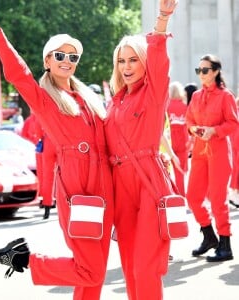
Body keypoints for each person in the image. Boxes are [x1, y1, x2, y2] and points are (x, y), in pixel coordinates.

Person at [0, 1, 114, 299]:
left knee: (93, 274)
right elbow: (17, 71)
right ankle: (23, 258)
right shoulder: (44, 98)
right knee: (91, 269)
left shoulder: (89, 98)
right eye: (60, 55)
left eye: (73, 56)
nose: (67, 60)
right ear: (47, 61)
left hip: (105, 186)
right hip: (77, 183)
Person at [104, 0, 178, 299]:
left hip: (148, 181)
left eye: (133, 60)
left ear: (144, 62)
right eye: (122, 61)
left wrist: (162, 19)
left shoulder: (153, 92)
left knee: (146, 267)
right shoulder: (114, 101)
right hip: (120, 187)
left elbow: (160, 61)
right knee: (129, 265)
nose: (127, 67)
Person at [185, 54, 239, 262]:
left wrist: (214, 131)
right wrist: (194, 129)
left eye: (205, 70)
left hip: (218, 153)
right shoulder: (197, 96)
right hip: (199, 151)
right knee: (192, 197)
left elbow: (233, 124)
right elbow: (189, 120)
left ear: (216, 71)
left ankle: (225, 245)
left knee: (218, 200)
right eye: (198, 70)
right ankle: (209, 236)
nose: (201, 74)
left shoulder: (225, 97)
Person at [21, 113, 56, 219]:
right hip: (60, 143)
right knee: (63, 174)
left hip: (46, 144)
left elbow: (36, 131)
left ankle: (47, 205)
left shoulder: (39, 113)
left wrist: (38, 140)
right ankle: (64, 202)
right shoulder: (61, 108)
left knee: (47, 176)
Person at [167, 81, 189, 197]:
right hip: (183, 142)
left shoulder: (166, 106)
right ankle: (181, 196)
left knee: (167, 170)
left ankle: (170, 195)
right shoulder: (185, 107)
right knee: (180, 172)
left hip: (169, 142)